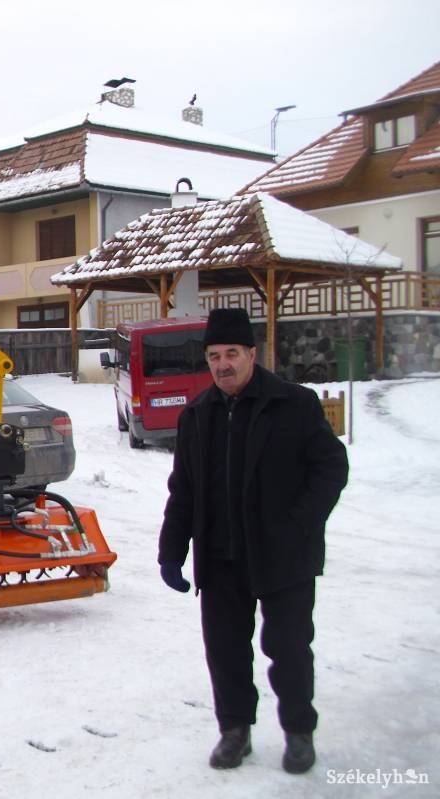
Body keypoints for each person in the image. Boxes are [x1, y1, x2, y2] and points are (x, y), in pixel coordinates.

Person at [158, 308, 348, 775]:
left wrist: (299, 523)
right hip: (221, 558)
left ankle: (299, 732)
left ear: (252, 355)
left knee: (288, 649)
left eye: (231, 354)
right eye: (214, 355)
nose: (222, 364)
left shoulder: (293, 403)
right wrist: (171, 550)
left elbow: (331, 467)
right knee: (225, 652)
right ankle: (234, 731)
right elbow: (183, 488)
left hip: (284, 557)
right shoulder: (196, 416)